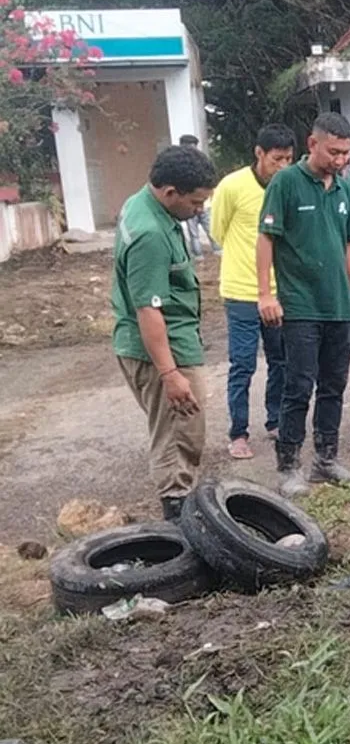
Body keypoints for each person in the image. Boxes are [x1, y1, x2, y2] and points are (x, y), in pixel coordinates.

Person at [257, 113, 350, 497]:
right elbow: (266, 238)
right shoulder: (286, 182)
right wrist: (265, 294)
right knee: (298, 386)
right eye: (333, 152)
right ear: (312, 144)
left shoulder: (344, 190)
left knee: (334, 386)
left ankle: (326, 460)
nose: (340, 160)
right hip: (300, 305)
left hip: (338, 306)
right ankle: (289, 466)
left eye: (345, 153)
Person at [111, 145, 217, 521]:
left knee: (179, 429)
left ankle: (183, 508)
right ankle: (179, 521)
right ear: (170, 192)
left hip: (169, 341)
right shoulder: (150, 234)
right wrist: (170, 374)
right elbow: (148, 309)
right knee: (178, 434)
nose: (200, 209)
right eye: (196, 201)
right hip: (162, 349)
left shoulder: (143, 204)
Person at [211, 124, 295, 460]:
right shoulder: (232, 186)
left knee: (281, 360)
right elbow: (218, 232)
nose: (283, 166)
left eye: (289, 159)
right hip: (241, 292)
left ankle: (275, 420)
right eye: (277, 159)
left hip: (280, 291)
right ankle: (239, 432)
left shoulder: (290, 186)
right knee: (242, 364)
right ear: (259, 153)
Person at [178, 134, 221, 257]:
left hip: (202, 203)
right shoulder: (200, 162)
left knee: (204, 230)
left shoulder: (179, 163)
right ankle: (201, 254)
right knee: (197, 232)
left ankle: (208, 252)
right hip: (192, 204)